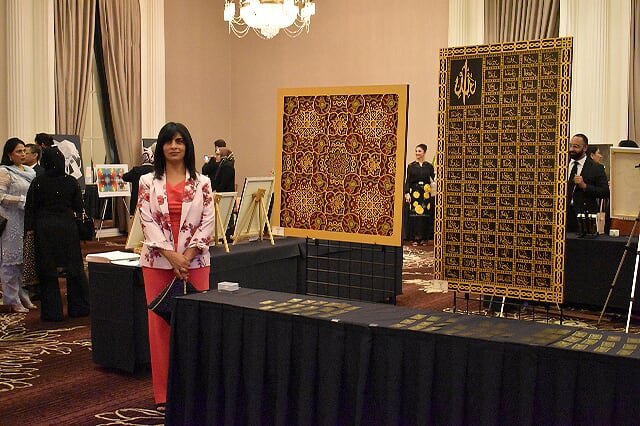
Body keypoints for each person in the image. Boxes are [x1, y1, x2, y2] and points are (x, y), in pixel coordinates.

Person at [138, 122, 214, 411]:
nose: (174, 146)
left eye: (179, 141)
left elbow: (207, 221)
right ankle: (164, 394)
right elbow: (146, 220)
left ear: (187, 146)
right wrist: (172, 256)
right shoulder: (147, 181)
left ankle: (194, 390)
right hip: (158, 263)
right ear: (160, 147)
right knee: (160, 328)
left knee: (195, 326)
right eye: (168, 141)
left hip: (196, 263)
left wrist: (188, 255)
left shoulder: (203, 182)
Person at [24, 147, 90, 321]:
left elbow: (30, 208)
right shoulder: (71, 181)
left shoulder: (38, 182)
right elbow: (79, 206)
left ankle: (52, 313)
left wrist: (28, 231)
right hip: (68, 227)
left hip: (44, 228)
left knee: (48, 270)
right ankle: (78, 308)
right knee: (74, 268)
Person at [0, 138, 36, 313]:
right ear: (9, 154)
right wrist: (23, 201)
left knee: (24, 260)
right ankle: (11, 299)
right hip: (11, 221)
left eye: (24, 151)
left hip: (27, 220)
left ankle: (23, 294)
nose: (23, 154)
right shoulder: (5, 172)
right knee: (10, 261)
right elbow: (1, 197)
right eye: (18, 151)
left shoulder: (30, 172)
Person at [566, 133, 609, 233]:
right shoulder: (562, 164)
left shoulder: (596, 168)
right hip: (563, 216)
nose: (571, 149)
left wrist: (585, 186)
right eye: (570, 146)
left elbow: (605, 192)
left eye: (576, 146)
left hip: (585, 217)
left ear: (585, 148)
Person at [404, 144, 435, 245]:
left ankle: (424, 238)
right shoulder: (411, 166)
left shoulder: (429, 166)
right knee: (415, 215)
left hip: (425, 194)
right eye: (416, 151)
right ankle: (415, 238)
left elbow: (434, 179)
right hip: (415, 193)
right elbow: (408, 181)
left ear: (424, 153)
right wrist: (407, 193)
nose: (417, 153)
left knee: (425, 216)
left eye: (419, 151)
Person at [122, 146, 155, 215]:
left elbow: (125, 177)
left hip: (136, 203)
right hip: (151, 205)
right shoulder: (157, 171)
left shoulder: (136, 170)